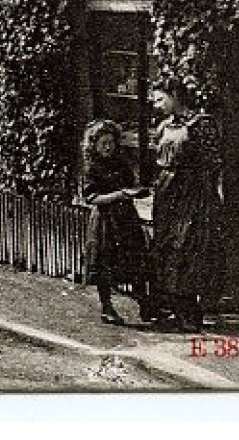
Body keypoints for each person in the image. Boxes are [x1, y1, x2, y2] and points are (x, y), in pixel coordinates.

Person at [148, 78, 223, 333]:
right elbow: (157, 160)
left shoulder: (202, 125)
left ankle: (190, 311)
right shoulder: (163, 127)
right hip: (167, 192)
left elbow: (213, 164)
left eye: (160, 99)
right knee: (167, 247)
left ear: (176, 96)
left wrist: (207, 197)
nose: (156, 105)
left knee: (189, 248)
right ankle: (173, 308)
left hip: (192, 194)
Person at [79, 118, 150, 326]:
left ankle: (145, 304)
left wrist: (136, 191)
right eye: (103, 143)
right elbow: (92, 198)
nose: (108, 147)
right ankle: (107, 307)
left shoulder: (121, 164)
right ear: (94, 145)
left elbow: (132, 185)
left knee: (136, 259)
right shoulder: (92, 168)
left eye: (111, 142)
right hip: (105, 221)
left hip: (126, 219)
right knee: (104, 263)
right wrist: (119, 195)